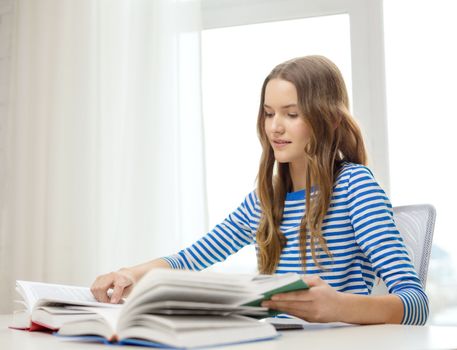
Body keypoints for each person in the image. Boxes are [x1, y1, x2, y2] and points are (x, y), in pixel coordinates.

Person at [91, 55, 428, 325]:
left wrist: (338, 307)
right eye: (269, 114)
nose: (275, 127)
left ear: (331, 120)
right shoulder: (265, 200)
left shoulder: (355, 186)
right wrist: (129, 275)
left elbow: (415, 303)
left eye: (292, 114)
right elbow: (190, 259)